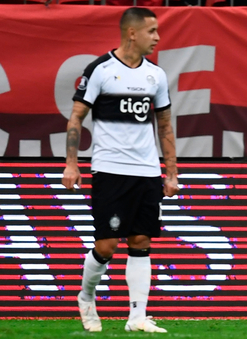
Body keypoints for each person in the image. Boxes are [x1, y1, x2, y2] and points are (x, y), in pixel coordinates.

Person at [61, 7, 179, 333]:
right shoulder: (100, 70)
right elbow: (76, 118)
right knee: (107, 246)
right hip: (110, 171)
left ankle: (137, 318)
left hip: (146, 171)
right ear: (132, 33)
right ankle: (86, 296)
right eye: (152, 31)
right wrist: (72, 164)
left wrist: (171, 172)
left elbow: (165, 126)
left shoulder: (156, 75)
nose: (156, 37)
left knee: (141, 240)